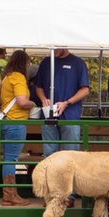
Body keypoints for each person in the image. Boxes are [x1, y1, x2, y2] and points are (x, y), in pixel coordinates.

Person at [34, 48, 90, 206]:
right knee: (49, 155)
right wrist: (44, 99)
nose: (54, 50)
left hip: (70, 116)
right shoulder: (46, 62)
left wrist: (67, 103)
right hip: (48, 115)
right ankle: (50, 195)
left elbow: (85, 89)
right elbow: (38, 87)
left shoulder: (78, 63)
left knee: (70, 156)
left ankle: (69, 195)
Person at [0, 50, 37, 206]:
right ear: (24, 63)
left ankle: (7, 195)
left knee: (7, 158)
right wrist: (33, 104)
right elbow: (22, 101)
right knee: (11, 159)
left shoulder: (6, 77)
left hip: (5, 121)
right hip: (16, 122)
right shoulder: (19, 77)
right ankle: (10, 195)